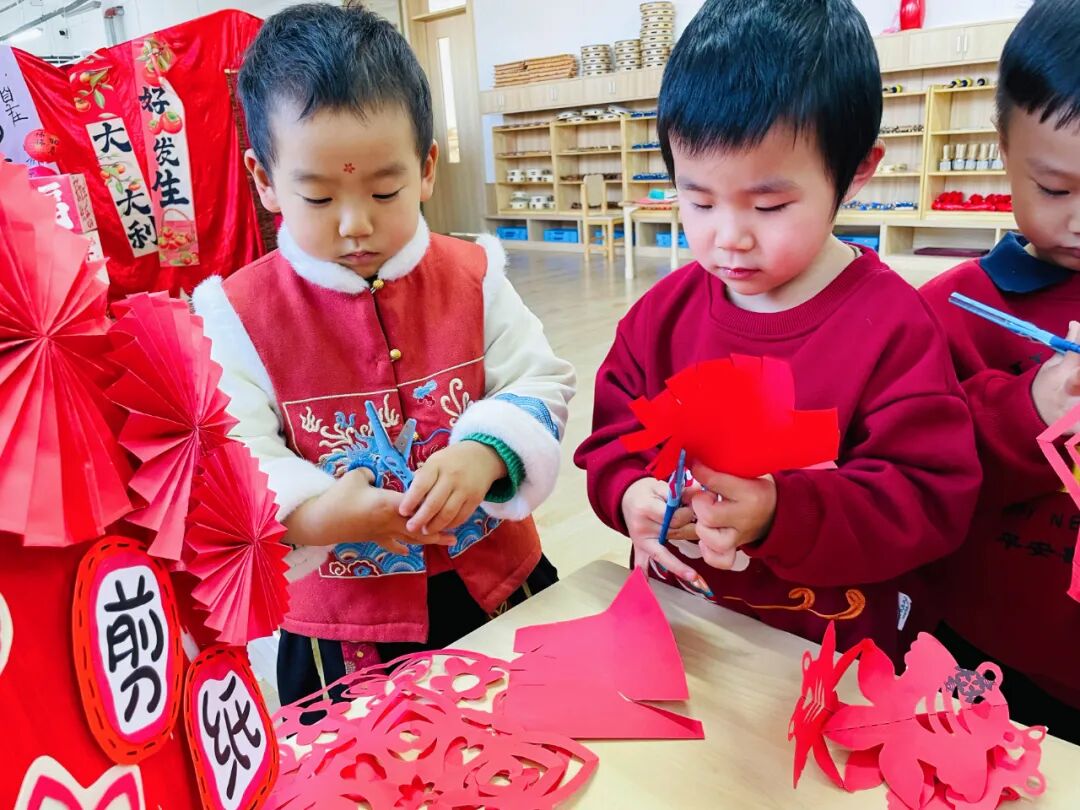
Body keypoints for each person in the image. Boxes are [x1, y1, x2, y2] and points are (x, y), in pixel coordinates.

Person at [192, 3, 575, 704]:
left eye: (385, 189)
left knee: (535, 740)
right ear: (265, 179)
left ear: (427, 167)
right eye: (316, 195)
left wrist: (487, 451)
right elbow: (233, 449)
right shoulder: (235, 314)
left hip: (498, 587)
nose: (355, 222)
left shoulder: (475, 273)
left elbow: (539, 377)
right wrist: (310, 514)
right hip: (343, 632)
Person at [575, 0, 981, 660]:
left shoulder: (895, 331)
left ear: (854, 174)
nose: (728, 237)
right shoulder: (662, 316)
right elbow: (612, 439)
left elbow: (928, 499)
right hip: (682, 631)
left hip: (827, 656)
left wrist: (778, 512)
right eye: (699, 199)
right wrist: (628, 495)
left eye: (769, 205)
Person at [920, 0, 1080, 742]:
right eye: (1056, 189)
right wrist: (1031, 409)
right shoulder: (954, 309)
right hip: (979, 648)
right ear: (1003, 151)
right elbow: (918, 466)